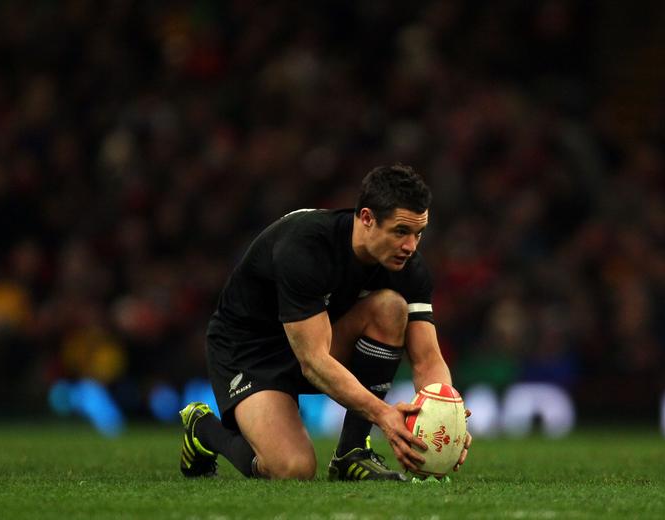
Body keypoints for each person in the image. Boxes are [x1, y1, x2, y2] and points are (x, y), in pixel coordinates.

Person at [179, 164, 471, 480]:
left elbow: (427, 359)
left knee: (390, 308)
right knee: (293, 469)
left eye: (419, 233)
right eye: (401, 231)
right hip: (249, 354)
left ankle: (351, 452)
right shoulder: (304, 247)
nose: (411, 246)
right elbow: (314, 362)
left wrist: (448, 413)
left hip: (316, 339)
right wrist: (385, 415)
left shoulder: (407, 266)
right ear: (368, 219)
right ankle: (203, 430)